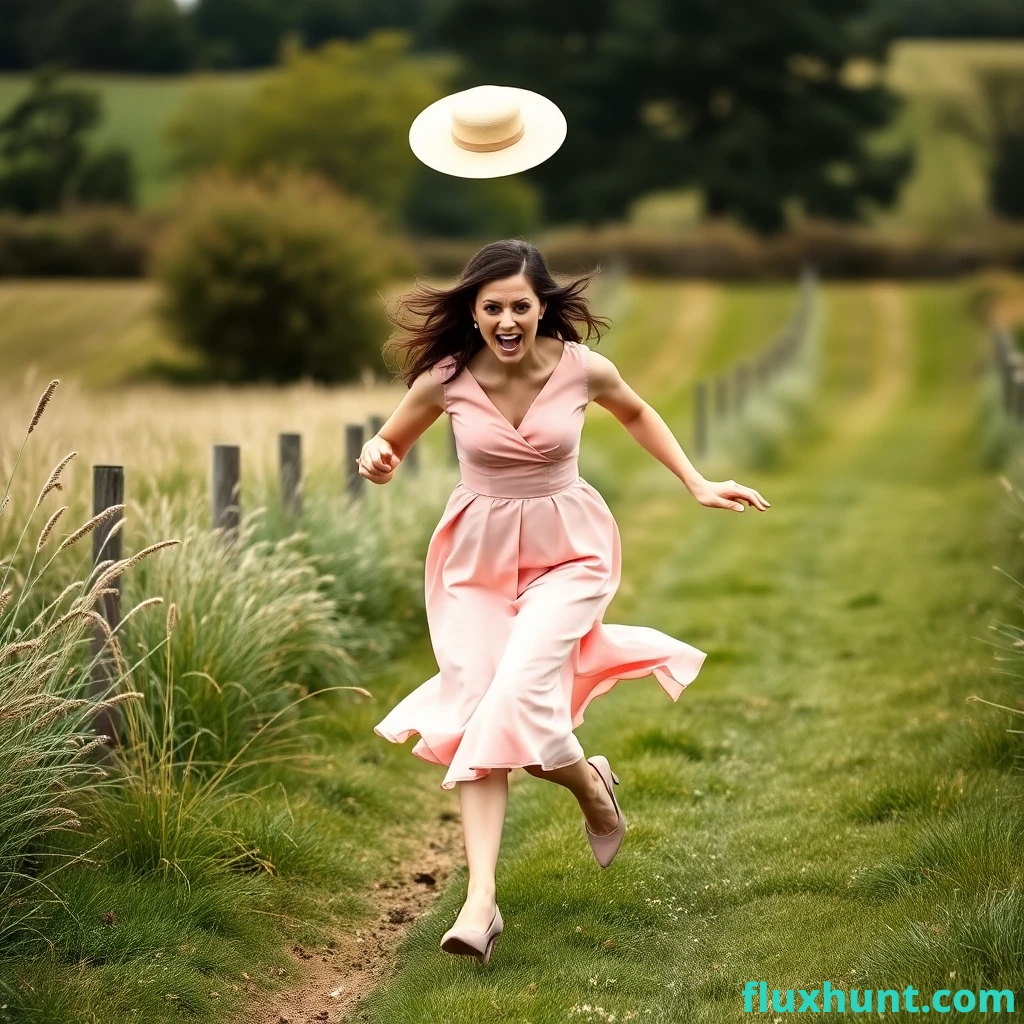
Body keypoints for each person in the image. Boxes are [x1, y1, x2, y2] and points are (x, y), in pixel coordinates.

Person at [361, 88, 770, 965]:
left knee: (515, 699)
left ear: (542, 306)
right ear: (471, 311)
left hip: (569, 550)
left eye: (520, 306)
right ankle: (495, 889)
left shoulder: (584, 369)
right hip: (473, 557)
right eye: (491, 308)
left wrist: (698, 482)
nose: (507, 320)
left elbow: (639, 415)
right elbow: (388, 443)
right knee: (479, 709)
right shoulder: (442, 379)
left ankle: (516, 862)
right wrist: (378, 459)